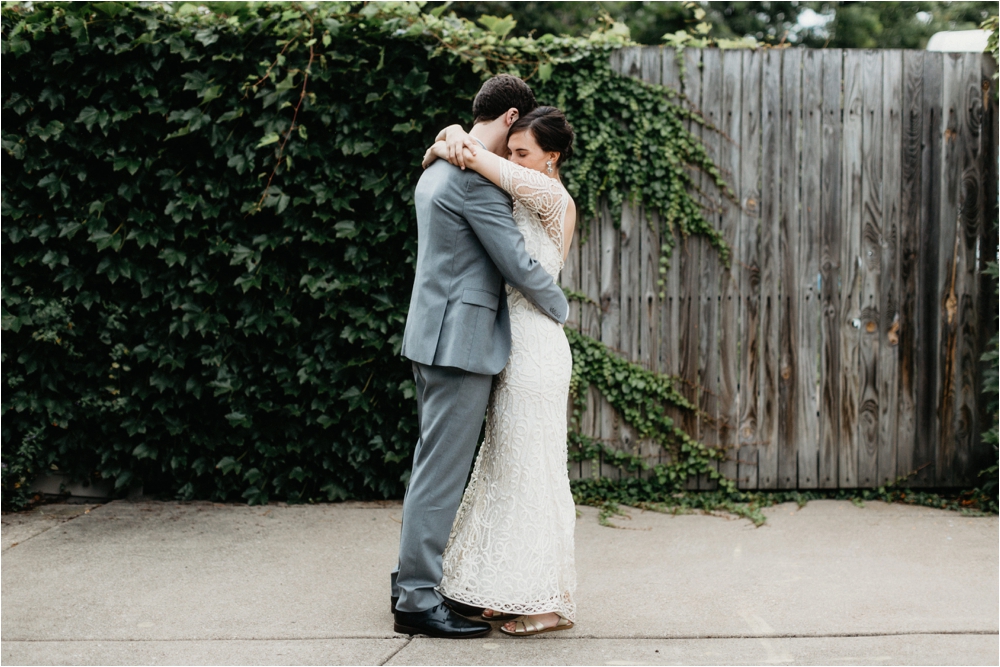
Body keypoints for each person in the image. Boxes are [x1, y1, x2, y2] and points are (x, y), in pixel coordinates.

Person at [391, 75, 570, 640]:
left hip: (433, 335)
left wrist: (448, 138)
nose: (514, 152)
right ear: (511, 115)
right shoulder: (473, 180)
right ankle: (417, 597)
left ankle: (410, 581)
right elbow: (518, 264)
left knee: (431, 466)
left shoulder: (439, 166)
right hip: (462, 341)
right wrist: (562, 308)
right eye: (515, 136)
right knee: (442, 474)